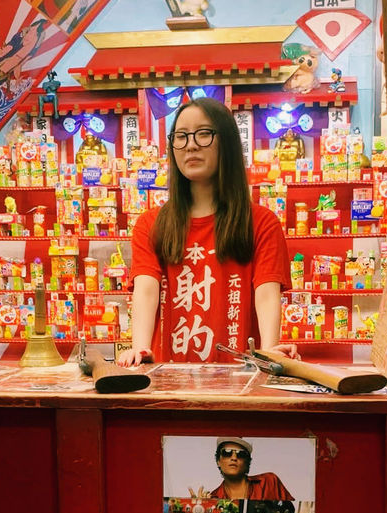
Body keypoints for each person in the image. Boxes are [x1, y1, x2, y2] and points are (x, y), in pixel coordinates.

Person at [118, 97, 297, 366]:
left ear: (226, 142)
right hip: (168, 383)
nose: (190, 145)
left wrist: (271, 351)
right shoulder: (151, 224)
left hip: (241, 384)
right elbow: (145, 290)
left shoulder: (261, 223)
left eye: (203, 134)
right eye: (181, 136)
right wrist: (140, 350)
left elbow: (267, 293)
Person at [209, 437, 293, 500]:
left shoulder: (269, 482)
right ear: (218, 461)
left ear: (247, 462)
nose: (234, 458)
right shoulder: (214, 498)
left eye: (241, 454)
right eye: (227, 453)